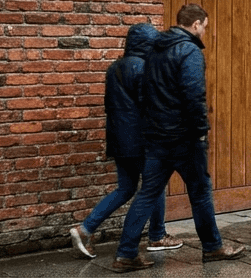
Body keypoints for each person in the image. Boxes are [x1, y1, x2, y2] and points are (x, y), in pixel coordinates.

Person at [110, 4, 246, 272]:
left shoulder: (154, 51)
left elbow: (143, 95)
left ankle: (125, 254)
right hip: (184, 138)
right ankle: (213, 247)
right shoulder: (189, 51)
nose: (205, 32)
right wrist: (199, 130)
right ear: (195, 24)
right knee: (200, 192)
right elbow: (194, 94)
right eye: (205, 27)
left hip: (157, 138)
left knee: (147, 193)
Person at [68, 24, 183, 258]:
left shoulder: (114, 69)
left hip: (120, 141)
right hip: (143, 141)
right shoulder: (145, 69)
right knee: (155, 186)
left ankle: (85, 229)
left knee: (126, 188)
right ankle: (157, 236)